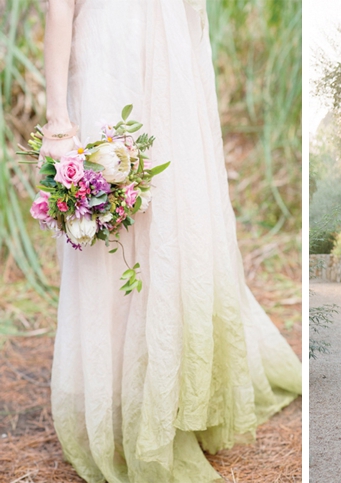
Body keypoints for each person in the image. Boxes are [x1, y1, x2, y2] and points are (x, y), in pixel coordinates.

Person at [39, 1, 302, 481]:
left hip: (167, 76)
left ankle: (166, 394)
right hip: (109, 64)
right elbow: (59, 7)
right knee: (116, 228)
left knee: (167, 223)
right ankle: (121, 401)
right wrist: (58, 120)